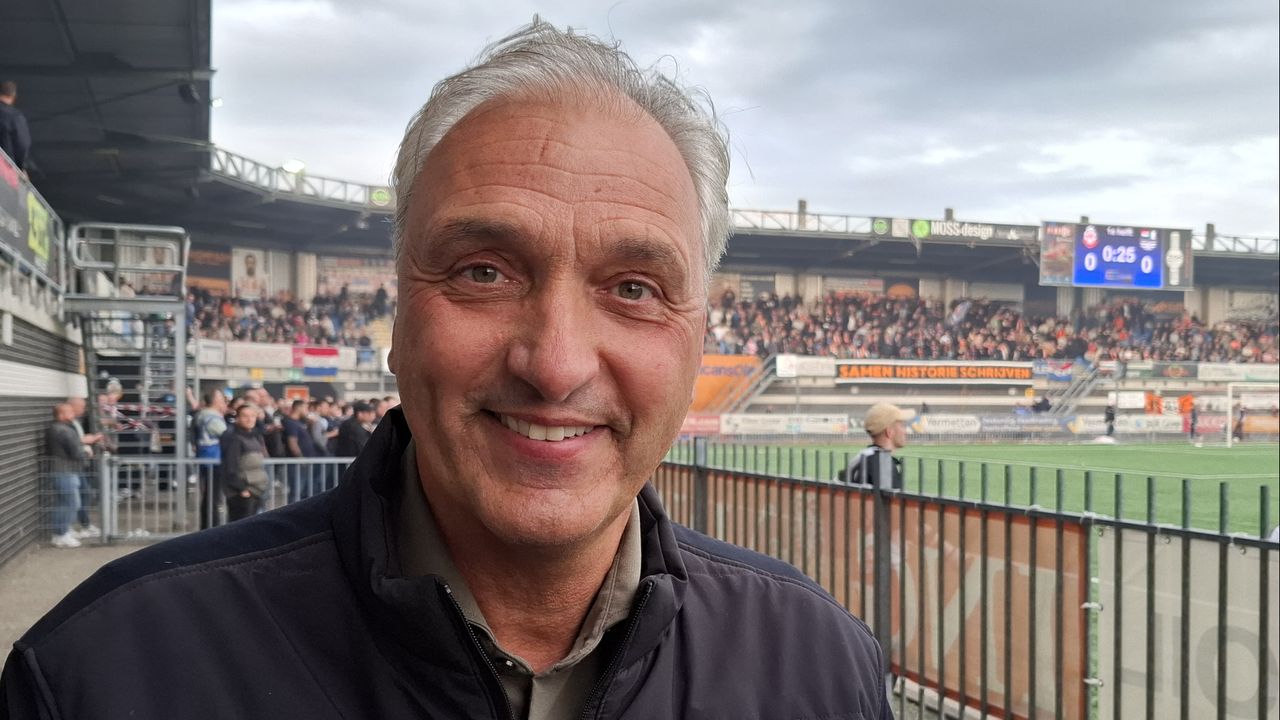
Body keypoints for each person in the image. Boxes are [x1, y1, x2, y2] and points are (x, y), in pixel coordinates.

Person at [1, 20, 892, 720]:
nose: (555, 365)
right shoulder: (101, 673)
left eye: (634, 287)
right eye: (484, 273)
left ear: (696, 340)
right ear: (398, 318)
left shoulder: (822, 670)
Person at [217, 404, 270, 522]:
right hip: (242, 492)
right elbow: (230, 467)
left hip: (255, 490)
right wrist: (242, 490)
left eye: (252, 416)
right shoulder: (234, 438)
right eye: (245, 416)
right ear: (237, 418)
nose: (250, 419)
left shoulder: (254, 436)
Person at [840, 402, 912, 488]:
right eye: (902, 426)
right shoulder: (882, 464)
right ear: (889, 432)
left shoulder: (865, 455)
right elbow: (889, 496)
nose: (906, 432)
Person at [44, 404, 86, 548]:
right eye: (69, 411)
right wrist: (86, 451)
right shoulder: (63, 430)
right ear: (61, 415)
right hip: (64, 471)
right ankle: (61, 534)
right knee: (70, 503)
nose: (73, 413)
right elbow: (75, 452)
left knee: (65, 503)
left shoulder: (56, 429)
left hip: (62, 470)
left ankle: (63, 530)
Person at [65, 396, 104, 538]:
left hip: (79, 464)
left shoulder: (76, 422)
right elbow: (73, 442)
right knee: (77, 497)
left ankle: (84, 524)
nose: (84, 410)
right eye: (81, 407)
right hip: (73, 465)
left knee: (84, 494)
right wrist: (87, 441)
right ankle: (73, 527)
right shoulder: (67, 425)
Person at [192, 389, 229, 528]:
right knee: (213, 497)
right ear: (215, 400)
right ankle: (212, 526)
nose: (224, 401)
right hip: (214, 460)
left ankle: (207, 525)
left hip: (207, 459)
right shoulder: (212, 418)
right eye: (221, 398)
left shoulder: (201, 415)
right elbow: (227, 436)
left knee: (209, 497)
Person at [0, 81, 31, 175]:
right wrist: (21, 166)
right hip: (6, 171)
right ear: (13, 96)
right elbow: (22, 144)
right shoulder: (15, 117)